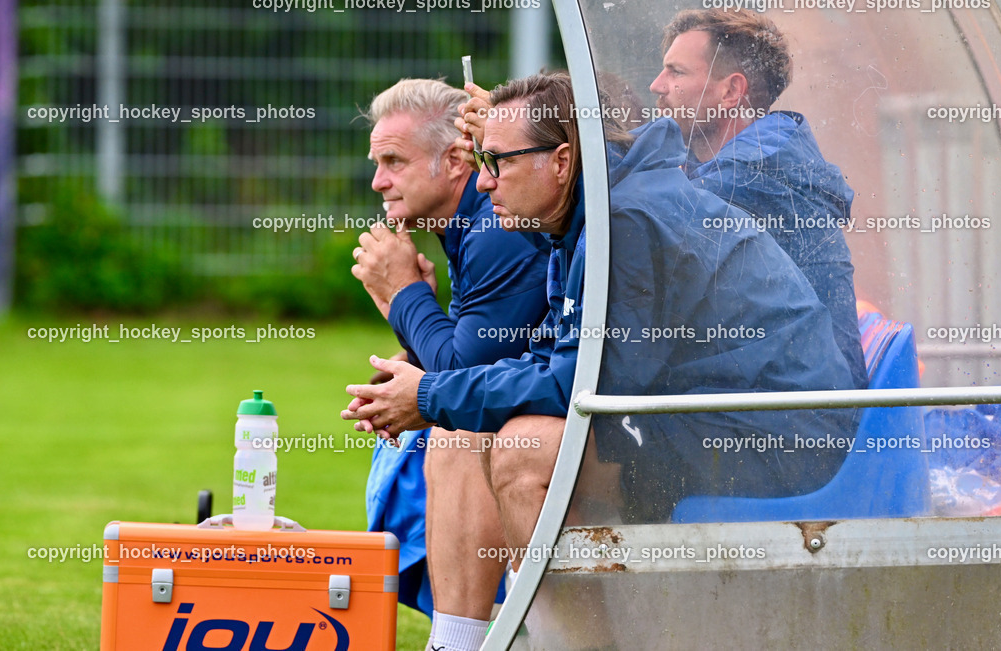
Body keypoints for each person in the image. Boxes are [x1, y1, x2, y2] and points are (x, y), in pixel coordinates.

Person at [344, 71, 857, 614]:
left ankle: (566, 640)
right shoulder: (591, 213)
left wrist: (427, 387)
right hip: (711, 414)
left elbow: (578, 383)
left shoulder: (625, 220)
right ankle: (465, 639)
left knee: (525, 451)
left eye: (498, 162)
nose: (484, 182)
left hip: (775, 433)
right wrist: (439, 392)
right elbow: (557, 359)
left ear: (561, 162)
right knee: (489, 430)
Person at [352, 79, 549, 644]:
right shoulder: (470, 223)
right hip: (551, 411)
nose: (378, 181)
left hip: (595, 432)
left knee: (457, 436)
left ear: (457, 158)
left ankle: (459, 641)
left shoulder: (497, 225)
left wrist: (404, 295)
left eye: (393, 160)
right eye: (376, 161)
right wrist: (411, 334)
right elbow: (468, 360)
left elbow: (461, 377)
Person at [649, 7, 869, 390]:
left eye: (676, 72)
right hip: (779, 395)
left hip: (794, 414)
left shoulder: (746, 183)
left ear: (731, 92)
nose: (657, 85)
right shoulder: (728, 170)